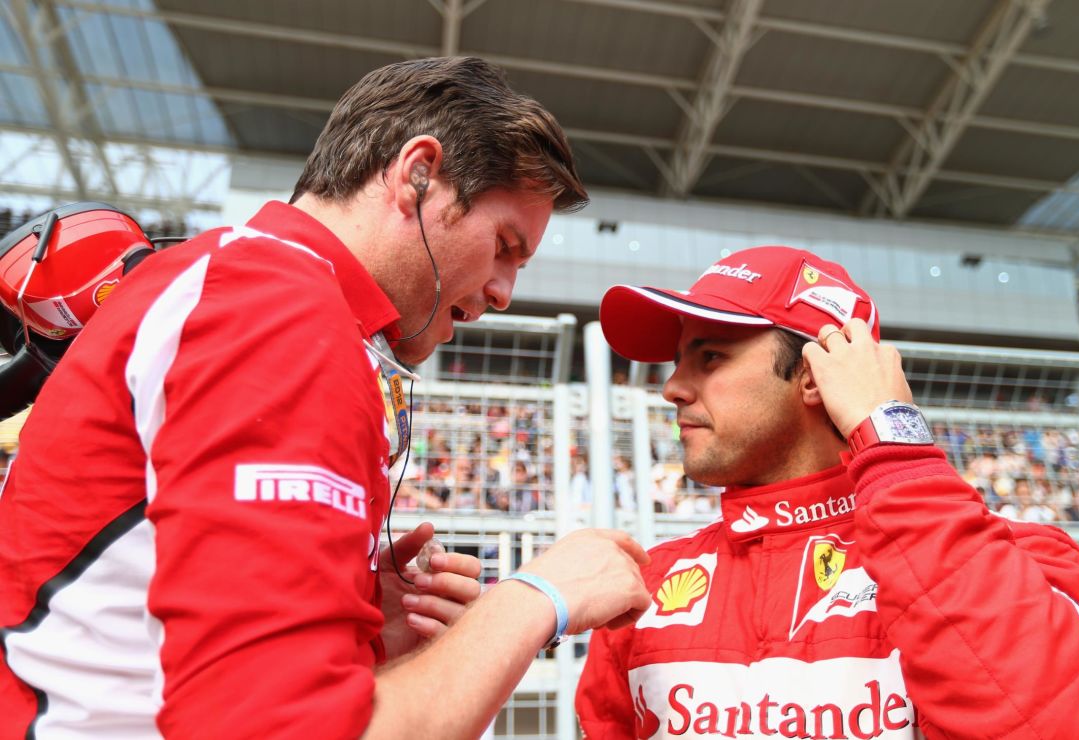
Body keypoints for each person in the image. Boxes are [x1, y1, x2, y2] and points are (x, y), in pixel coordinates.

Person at [0, 57, 652, 739]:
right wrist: (536, 599)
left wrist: (361, 629)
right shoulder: (280, 309)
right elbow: (284, 728)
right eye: (505, 247)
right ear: (416, 174)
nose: (503, 291)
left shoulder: (249, 285)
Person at [576, 246, 1079, 738]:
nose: (671, 386)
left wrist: (894, 439)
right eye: (677, 360)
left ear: (814, 376)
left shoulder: (1032, 565)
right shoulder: (644, 588)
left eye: (710, 356)